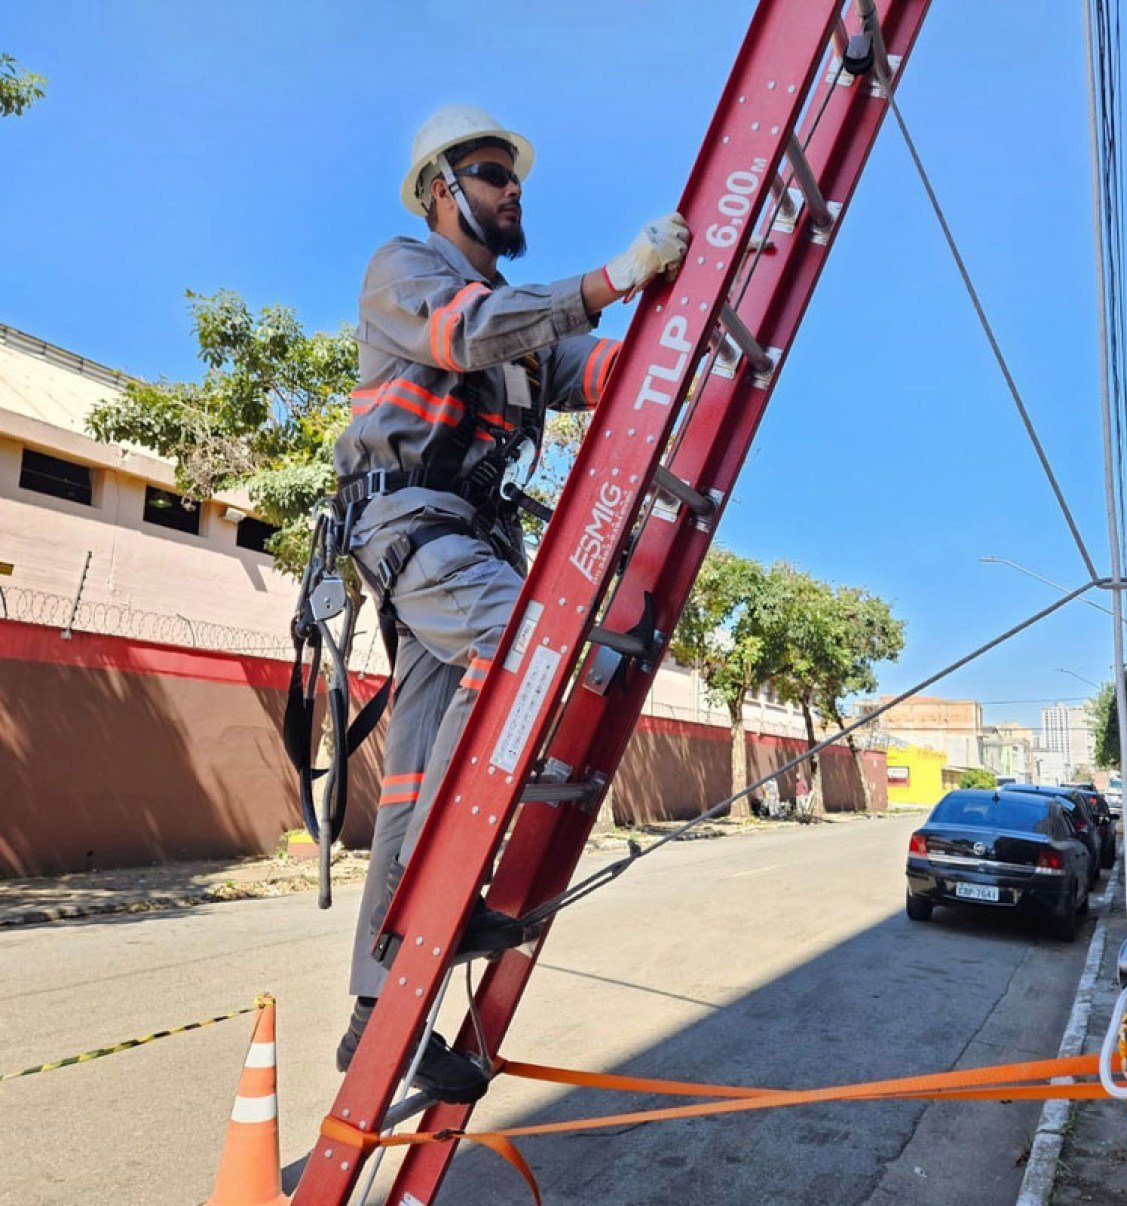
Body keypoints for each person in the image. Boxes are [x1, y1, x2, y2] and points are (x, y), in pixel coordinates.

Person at [331, 104, 690, 1103]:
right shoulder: (404, 270)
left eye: (512, 175)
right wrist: (612, 279)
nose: (510, 188)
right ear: (440, 191)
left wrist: (681, 323)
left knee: (411, 780)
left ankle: (375, 1019)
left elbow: (596, 369)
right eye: (491, 173)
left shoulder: (524, 342)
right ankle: (434, 902)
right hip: (412, 527)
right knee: (526, 653)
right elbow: (468, 331)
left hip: (467, 540)